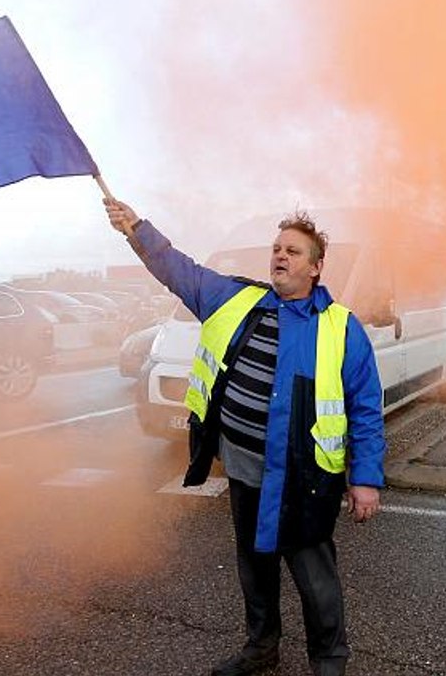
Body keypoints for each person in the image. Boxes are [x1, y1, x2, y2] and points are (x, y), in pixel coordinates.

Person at [104, 196, 385, 676]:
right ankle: (261, 647)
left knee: (314, 575)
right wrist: (136, 229)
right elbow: (179, 271)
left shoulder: (340, 327)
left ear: (316, 267)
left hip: (305, 477)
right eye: (277, 248)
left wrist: (365, 479)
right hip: (244, 467)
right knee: (254, 564)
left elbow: (365, 409)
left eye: (293, 251)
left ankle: (329, 660)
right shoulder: (237, 300)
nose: (280, 256)